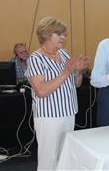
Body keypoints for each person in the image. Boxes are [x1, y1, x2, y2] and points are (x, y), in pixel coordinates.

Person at [25, 17, 89, 170]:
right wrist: (66, 72)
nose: (63, 37)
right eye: (59, 34)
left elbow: (76, 84)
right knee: (49, 159)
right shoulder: (36, 59)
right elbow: (40, 91)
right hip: (49, 117)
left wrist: (78, 72)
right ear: (46, 34)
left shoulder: (64, 53)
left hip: (68, 113)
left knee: (65, 157)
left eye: (64, 34)